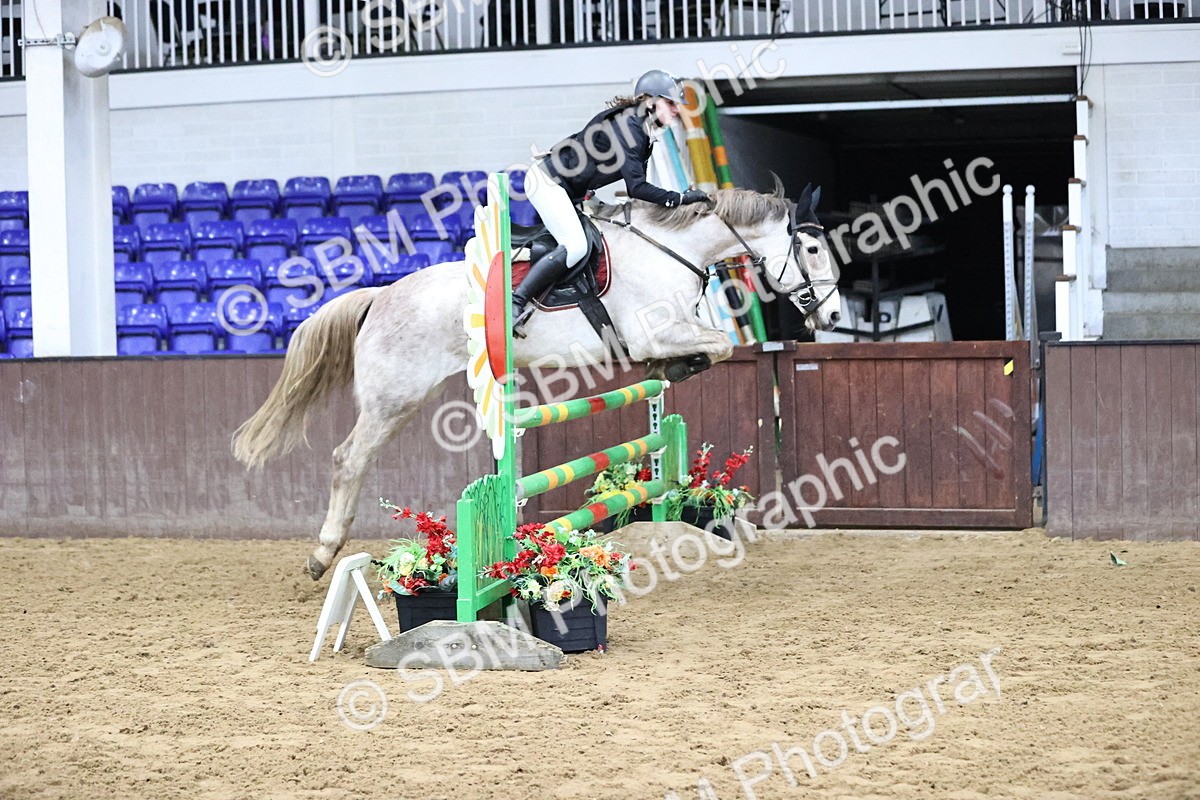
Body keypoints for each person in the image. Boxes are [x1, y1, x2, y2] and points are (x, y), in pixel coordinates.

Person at [512, 69, 711, 333]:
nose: (676, 111)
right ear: (650, 101)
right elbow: (637, 188)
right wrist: (680, 199)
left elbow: (640, 188)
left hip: (569, 189)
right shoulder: (630, 127)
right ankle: (516, 303)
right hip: (547, 182)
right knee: (575, 247)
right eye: (671, 103)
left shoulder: (643, 130)